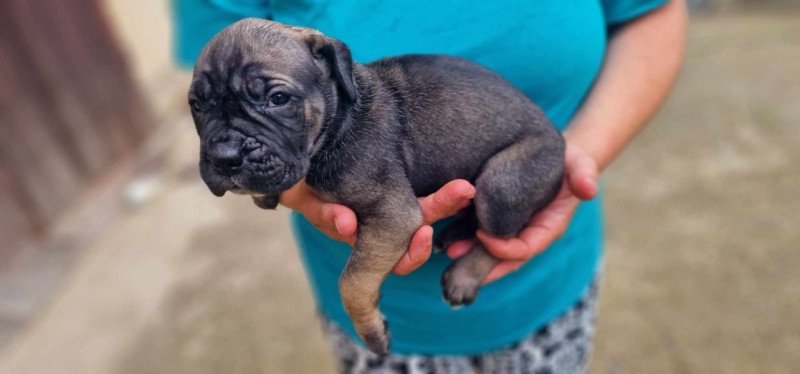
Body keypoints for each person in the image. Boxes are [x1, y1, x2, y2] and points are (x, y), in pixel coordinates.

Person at [174, 1, 686, 372]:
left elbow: (395, 217)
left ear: (335, 73)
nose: (222, 147)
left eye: (275, 100)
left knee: (498, 206)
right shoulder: (311, 109)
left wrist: (359, 297)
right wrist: (280, 185)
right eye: (203, 105)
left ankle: (481, 248)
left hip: (528, 192)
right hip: (404, 336)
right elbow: (247, 133)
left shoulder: (353, 147)